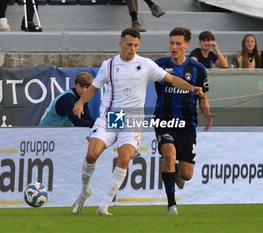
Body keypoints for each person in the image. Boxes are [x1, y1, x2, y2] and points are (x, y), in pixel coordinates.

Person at [71, 28, 204, 216]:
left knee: (124, 158)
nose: (132, 49)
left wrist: (192, 88)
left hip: (132, 118)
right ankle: (85, 191)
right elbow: (94, 88)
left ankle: (104, 205)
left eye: (135, 45)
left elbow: (172, 79)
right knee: (92, 155)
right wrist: (80, 102)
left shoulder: (146, 65)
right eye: (128, 45)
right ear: (120, 44)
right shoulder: (108, 65)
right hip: (112, 117)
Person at [155, 27, 214, 215]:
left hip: (187, 124)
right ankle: (171, 205)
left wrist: (207, 113)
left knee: (186, 175)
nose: (174, 47)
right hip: (164, 120)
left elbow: (202, 96)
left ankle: (175, 170)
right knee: (169, 156)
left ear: (186, 45)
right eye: (171, 43)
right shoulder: (160, 66)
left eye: (178, 43)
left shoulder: (198, 69)